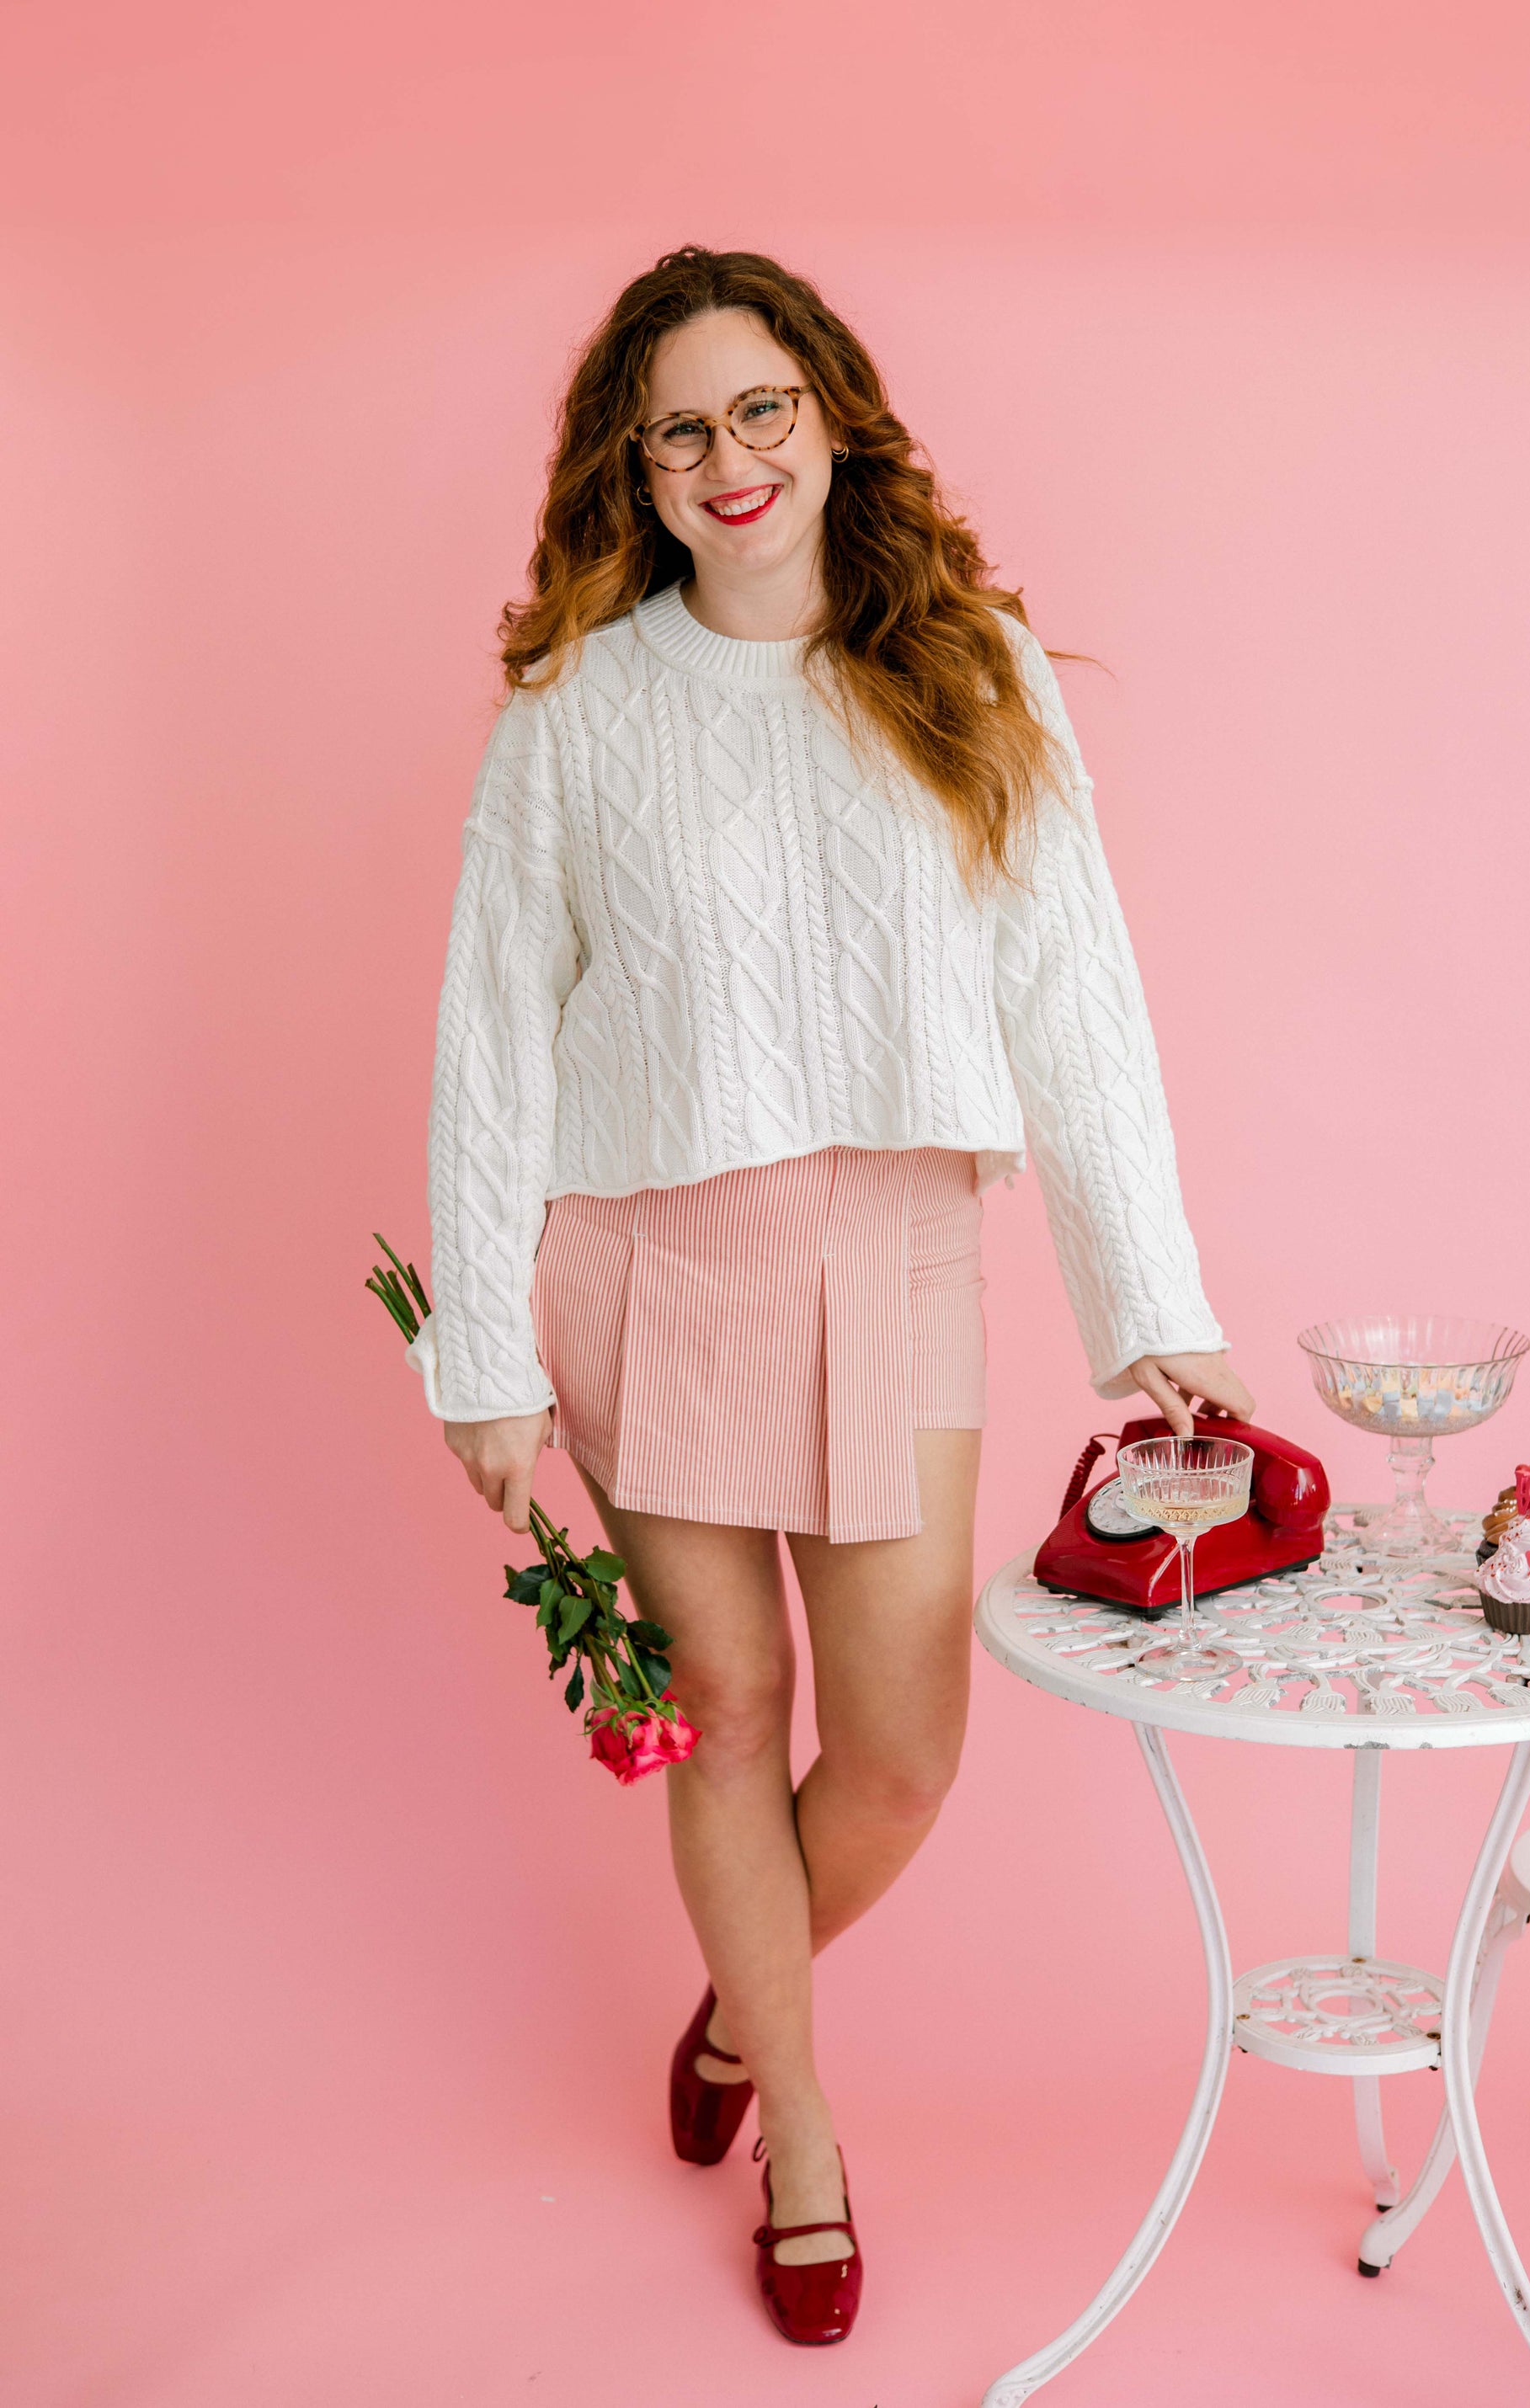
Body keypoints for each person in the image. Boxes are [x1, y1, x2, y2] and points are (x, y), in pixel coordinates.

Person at [407, 244, 1254, 2347]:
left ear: (832, 414)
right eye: (680, 429)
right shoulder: (577, 708)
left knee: (897, 1751)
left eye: (760, 408)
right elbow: (492, 1034)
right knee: (726, 1713)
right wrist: (482, 1352)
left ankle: (734, 2003)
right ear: (636, 468)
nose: (729, 458)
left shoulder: (970, 664)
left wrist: (1149, 1291)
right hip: (653, 1259)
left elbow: (1075, 993)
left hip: (892, 1255)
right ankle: (798, 2123)